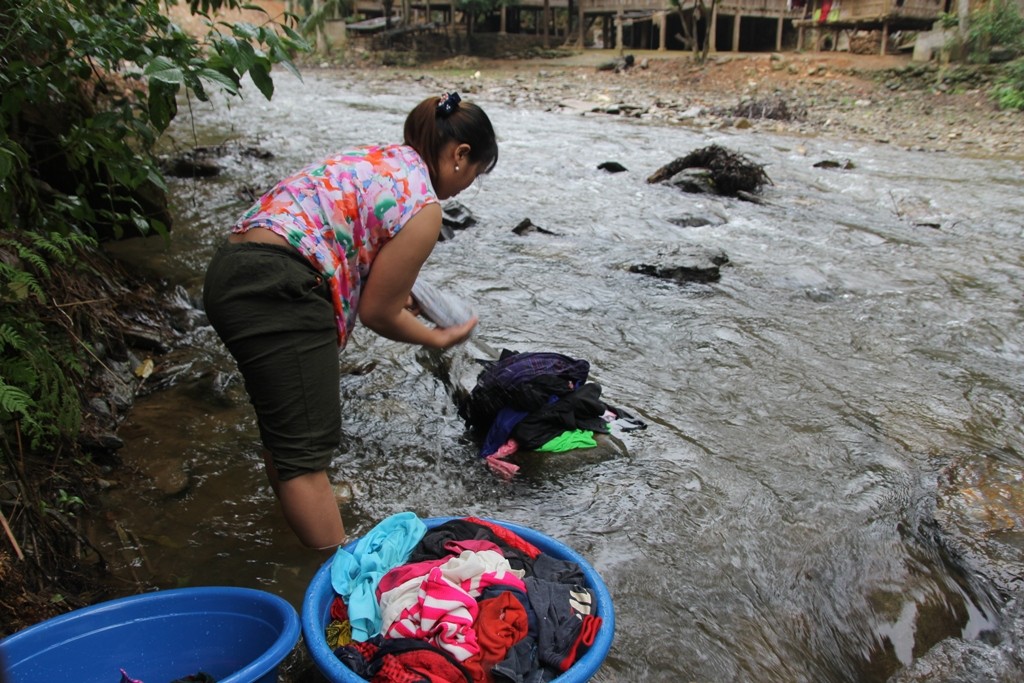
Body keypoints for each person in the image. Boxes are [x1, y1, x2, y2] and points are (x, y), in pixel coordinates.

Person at [202, 92, 498, 550]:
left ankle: (299, 527)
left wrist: (400, 301)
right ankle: (336, 584)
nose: (465, 188)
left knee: (288, 434)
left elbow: (350, 246)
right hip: (280, 287)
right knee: (305, 457)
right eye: (475, 175)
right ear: (461, 155)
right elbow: (378, 313)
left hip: (235, 268)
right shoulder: (425, 204)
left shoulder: (379, 158)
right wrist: (438, 337)